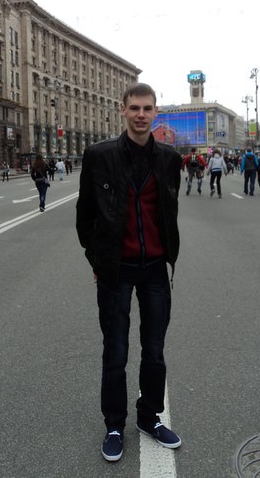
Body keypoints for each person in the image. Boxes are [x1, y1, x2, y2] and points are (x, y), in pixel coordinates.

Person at [76, 82, 182, 463]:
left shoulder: (169, 159)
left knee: (154, 350)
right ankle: (114, 425)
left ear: (156, 113)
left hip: (154, 269)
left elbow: (168, 211)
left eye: (147, 108)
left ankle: (150, 417)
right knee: (115, 351)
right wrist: (98, 261)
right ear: (122, 110)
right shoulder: (99, 156)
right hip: (116, 270)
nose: (141, 115)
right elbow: (84, 216)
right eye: (134, 108)